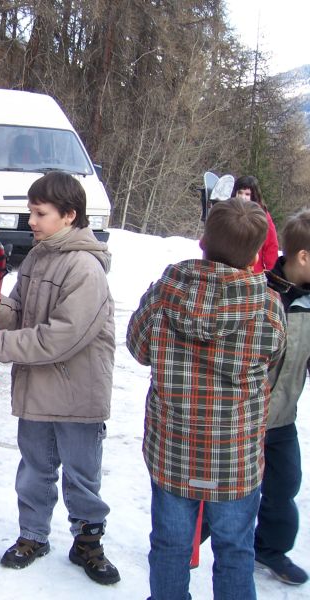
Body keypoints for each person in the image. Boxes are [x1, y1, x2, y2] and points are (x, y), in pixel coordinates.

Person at [126, 198, 286, 600]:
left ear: (202, 241)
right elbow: (273, 357)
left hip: (173, 450)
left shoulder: (166, 291)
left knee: (170, 545)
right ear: (255, 256)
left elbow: (139, 347)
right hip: (235, 456)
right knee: (235, 549)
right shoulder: (267, 306)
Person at [0, 171, 119, 585]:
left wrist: (0, 344)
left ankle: (88, 541)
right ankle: (33, 535)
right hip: (38, 390)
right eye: (30, 212)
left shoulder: (86, 269)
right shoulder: (38, 258)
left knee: (81, 472)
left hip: (78, 393)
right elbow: (20, 313)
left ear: (69, 215)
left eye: (40, 213)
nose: (31, 221)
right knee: (35, 468)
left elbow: (61, 337)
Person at [254, 209, 310, 585]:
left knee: (285, 485)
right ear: (303, 256)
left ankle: (270, 548)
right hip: (241, 419)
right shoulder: (259, 292)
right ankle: (184, 545)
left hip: (282, 420)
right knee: (225, 497)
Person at [232, 175, 278, 273]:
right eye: (240, 193)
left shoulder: (262, 216)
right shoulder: (228, 212)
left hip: (253, 272)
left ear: (253, 196)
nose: (242, 197)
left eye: (247, 194)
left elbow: (271, 246)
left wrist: (272, 274)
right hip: (230, 269)